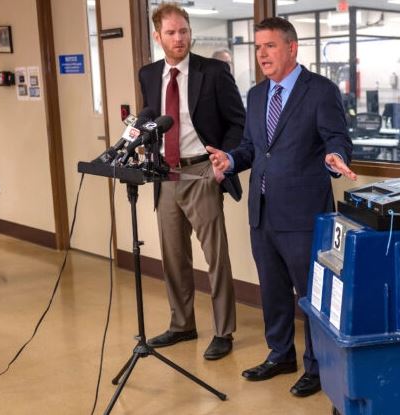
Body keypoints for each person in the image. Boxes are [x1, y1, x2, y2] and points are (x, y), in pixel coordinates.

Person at [206, 17, 356, 397]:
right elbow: (253, 149)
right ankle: (280, 354)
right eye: (257, 48)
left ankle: (318, 365)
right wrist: (230, 160)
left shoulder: (320, 91)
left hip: (304, 213)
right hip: (262, 210)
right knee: (272, 290)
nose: (262, 54)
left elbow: (337, 138)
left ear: (292, 48)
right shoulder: (257, 95)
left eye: (269, 46)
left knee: (311, 296)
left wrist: (335, 156)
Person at [139, 2, 245, 361]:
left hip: (202, 171)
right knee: (173, 256)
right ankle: (182, 324)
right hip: (165, 174)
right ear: (158, 37)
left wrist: (222, 161)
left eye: (183, 30)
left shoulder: (214, 72)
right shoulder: (149, 74)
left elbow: (237, 122)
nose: (179, 37)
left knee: (215, 257)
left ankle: (223, 330)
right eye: (171, 32)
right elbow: (151, 121)